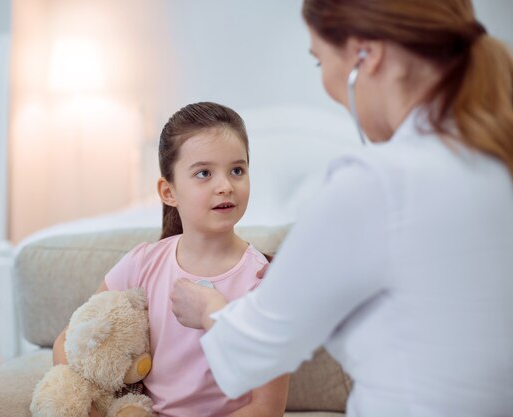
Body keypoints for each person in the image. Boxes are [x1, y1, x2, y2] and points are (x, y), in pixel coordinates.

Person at [170, 1, 513, 416]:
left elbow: (248, 352)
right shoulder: (496, 163)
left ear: (365, 55)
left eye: (319, 62)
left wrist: (208, 308)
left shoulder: (377, 182)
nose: (328, 85)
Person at [53, 102, 290, 417]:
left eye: (237, 170)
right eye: (204, 173)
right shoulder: (143, 263)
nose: (225, 186)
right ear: (168, 191)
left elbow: (266, 407)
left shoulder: (264, 281)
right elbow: (68, 343)